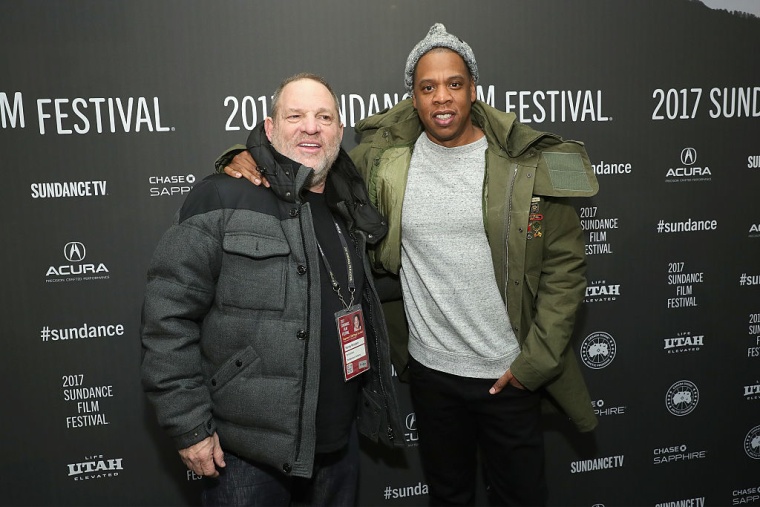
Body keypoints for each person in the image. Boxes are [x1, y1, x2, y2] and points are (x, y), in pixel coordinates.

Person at [218, 24, 599, 506]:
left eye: (454, 84)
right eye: (428, 87)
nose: (443, 97)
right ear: (413, 98)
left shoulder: (524, 161)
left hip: (510, 375)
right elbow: (307, 159)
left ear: (474, 89)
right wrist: (240, 157)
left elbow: (566, 267)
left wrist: (534, 363)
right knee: (448, 496)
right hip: (432, 376)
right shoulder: (384, 160)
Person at [141, 73, 404, 507]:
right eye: (295, 115)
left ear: (340, 130)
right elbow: (168, 319)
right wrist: (189, 425)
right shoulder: (222, 197)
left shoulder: (350, 206)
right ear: (269, 127)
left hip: (338, 445)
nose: (311, 127)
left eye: (324, 117)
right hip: (245, 456)